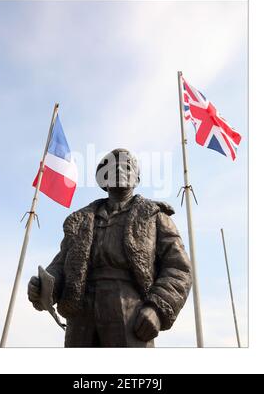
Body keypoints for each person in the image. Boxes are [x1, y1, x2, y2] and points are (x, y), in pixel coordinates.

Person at [28, 148, 192, 347]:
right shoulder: (80, 220)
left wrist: (157, 309)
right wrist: (45, 287)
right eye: (112, 167)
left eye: (126, 166)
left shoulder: (155, 217)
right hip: (82, 315)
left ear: (137, 179)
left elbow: (179, 268)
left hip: (130, 311)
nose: (119, 170)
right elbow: (62, 263)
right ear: (102, 179)